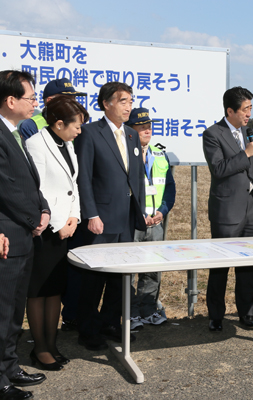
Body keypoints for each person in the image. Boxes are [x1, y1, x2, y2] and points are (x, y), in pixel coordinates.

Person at [75, 82, 146, 351]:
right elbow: (84, 177)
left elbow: (136, 176)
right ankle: (88, 329)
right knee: (94, 278)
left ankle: (110, 322)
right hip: (100, 219)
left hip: (126, 219)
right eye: (123, 101)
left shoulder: (131, 135)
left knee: (120, 276)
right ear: (107, 104)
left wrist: (141, 211)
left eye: (131, 100)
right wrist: (91, 213)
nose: (129, 106)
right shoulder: (90, 133)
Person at [202, 87, 253, 332]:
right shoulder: (213, 134)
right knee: (220, 266)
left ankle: (246, 313)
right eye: (245, 109)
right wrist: (246, 152)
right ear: (230, 111)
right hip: (226, 209)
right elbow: (219, 169)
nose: (249, 114)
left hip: (250, 208)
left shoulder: (248, 132)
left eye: (250, 109)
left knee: (249, 266)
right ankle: (216, 316)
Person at [25, 95, 88, 370]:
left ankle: (52, 344)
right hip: (45, 231)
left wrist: (74, 217)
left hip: (66, 227)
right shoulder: (36, 144)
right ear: (59, 123)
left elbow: (71, 185)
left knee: (55, 291)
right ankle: (39, 349)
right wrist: (58, 223)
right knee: (38, 291)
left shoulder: (67, 143)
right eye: (76, 125)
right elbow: (36, 191)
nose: (80, 131)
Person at [0, 70, 50, 399]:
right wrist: (35, 218)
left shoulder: (17, 133)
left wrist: (44, 209)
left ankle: (9, 366)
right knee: (2, 312)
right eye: (31, 97)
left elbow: (29, 183)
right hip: (7, 237)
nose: (36, 103)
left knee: (14, 311)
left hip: (23, 237)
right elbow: (6, 189)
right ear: (10, 100)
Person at [125, 108, 176, 330]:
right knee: (128, 270)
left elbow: (169, 188)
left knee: (152, 269)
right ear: (130, 129)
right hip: (132, 222)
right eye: (142, 126)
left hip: (156, 222)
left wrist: (162, 211)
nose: (147, 130)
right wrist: (140, 215)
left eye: (149, 125)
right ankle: (130, 313)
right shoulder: (124, 152)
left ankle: (148, 310)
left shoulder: (159, 153)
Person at [19, 78, 86, 141]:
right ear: (50, 101)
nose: (73, 104)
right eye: (68, 100)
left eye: (74, 100)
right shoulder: (31, 125)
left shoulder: (75, 124)